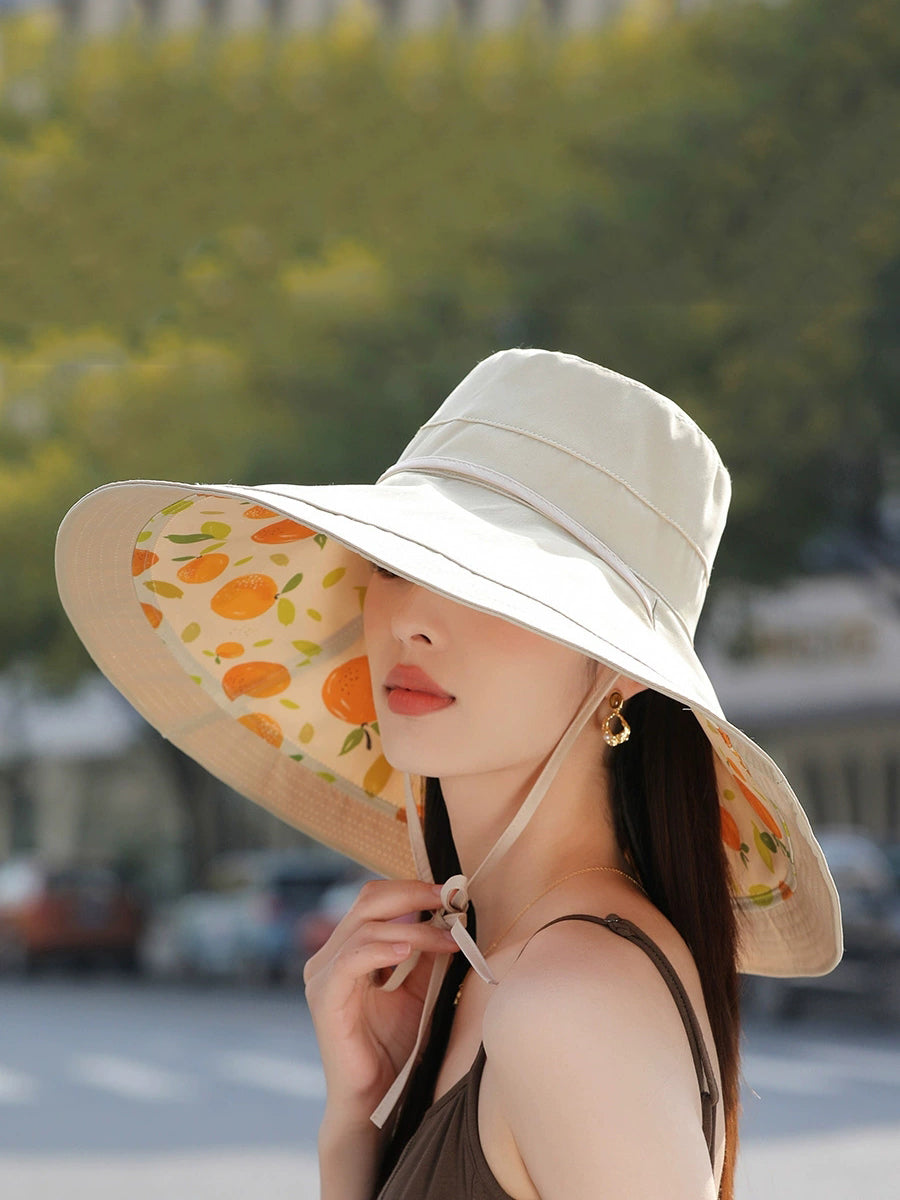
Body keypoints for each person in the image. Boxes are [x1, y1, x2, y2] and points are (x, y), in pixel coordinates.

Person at [55, 348, 842, 1200]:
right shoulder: (493, 964)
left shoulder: (571, 1004)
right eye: (396, 566)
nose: (413, 624)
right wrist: (358, 1121)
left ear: (623, 672)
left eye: (491, 583)